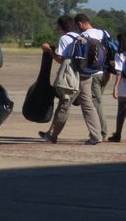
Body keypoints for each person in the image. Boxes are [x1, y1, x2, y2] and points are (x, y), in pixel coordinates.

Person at [40, 15, 103, 145]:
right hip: (86, 73)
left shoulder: (64, 38)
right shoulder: (81, 36)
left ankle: (52, 135)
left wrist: (49, 51)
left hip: (72, 75)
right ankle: (96, 135)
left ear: (61, 27)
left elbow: (61, 59)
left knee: (64, 104)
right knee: (88, 104)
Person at [77, 13, 111, 140]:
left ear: (80, 24)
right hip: (105, 73)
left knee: (96, 104)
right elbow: (110, 52)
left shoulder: (84, 36)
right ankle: (99, 132)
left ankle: (101, 132)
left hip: (93, 74)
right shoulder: (104, 33)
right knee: (98, 101)